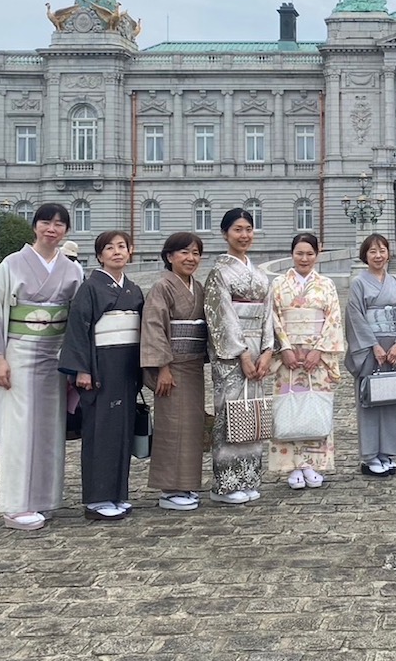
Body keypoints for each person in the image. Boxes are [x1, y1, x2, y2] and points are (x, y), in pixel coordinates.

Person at [0, 203, 84, 531]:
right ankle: (16, 504)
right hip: (17, 352)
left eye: (60, 224)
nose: (52, 229)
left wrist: (76, 362)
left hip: (55, 356)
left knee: (49, 428)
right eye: (46, 222)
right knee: (18, 429)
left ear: (66, 231)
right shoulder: (12, 265)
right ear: (35, 226)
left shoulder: (73, 270)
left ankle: (45, 498)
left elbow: (78, 320)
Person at [58, 230, 145, 521]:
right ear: (99, 256)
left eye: (122, 247)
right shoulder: (90, 288)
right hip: (99, 369)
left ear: (130, 252)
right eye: (109, 248)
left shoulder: (134, 289)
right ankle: (96, 499)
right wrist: (81, 369)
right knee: (99, 432)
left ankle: (118, 493)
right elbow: (78, 330)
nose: (117, 252)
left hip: (125, 367)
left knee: (121, 431)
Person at [203, 208, 275, 504]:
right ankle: (227, 483)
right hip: (232, 355)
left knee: (252, 413)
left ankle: (249, 477)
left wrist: (268, 350)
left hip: (258, 348)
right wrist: (242, 353)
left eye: (248, 229)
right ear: (225, 234)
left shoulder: (260, 275)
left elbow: (267, 314)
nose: (244, 235)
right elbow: (220, 316)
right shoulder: (219, 272)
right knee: (229, 413)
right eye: (237, 230)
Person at [140, 232, 209, 511]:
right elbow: (154, 327)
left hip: (192, 365)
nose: (191, 258)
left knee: (192, 426)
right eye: (184, 253)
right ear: (169, 257)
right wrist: (163, 368)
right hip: (172, 366)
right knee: (172, 426)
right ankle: (169, 488)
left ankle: (187, 483)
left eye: (195, 253)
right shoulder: (162, 287)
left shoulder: (199, 287)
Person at [271, 232, 345, 490]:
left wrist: (319, 351)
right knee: (289, 408)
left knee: (316, 407)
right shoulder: (279, 284)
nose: (304, 258)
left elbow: (333, 319)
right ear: (291, 253)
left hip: (317, 356)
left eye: (309, 253)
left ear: (318, 254)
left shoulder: (326, 284)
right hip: (288, 357)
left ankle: (314, 463)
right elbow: (273, 318)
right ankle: (291, 466)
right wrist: (285, 349)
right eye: (299, 253)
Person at [345, 234, 396, 477]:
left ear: (388, 253)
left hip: (393, 349)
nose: (378, 255)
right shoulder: (358, 284)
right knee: (370, 401)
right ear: (365, 255)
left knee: (392, 399)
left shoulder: (395, 282)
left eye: (382, 250)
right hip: (371, 349)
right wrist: (373, 346)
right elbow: (355, 318)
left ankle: (388, 452)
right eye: (372, 251)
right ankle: (371, 455)